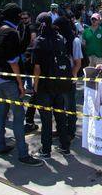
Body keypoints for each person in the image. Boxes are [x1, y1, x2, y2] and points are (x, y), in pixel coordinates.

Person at [0, 3, 42, 166]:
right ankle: (23, 153)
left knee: (1, 115)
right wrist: (21, 84)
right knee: (18, 117)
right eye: (20, 16)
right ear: (15, 16)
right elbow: (14, 61)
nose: (22, 19)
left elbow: (20, 47)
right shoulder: (11, 33)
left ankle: (0, 145)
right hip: (11, 81)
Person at [32, 14, 71, 158]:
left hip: (44, 87)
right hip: (59, 84)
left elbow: (37, 68)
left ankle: (46, 150)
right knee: (60, 116)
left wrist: (35, 86)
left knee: (46, 119)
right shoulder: (60, 38)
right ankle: (65, 146)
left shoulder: (39, 42)